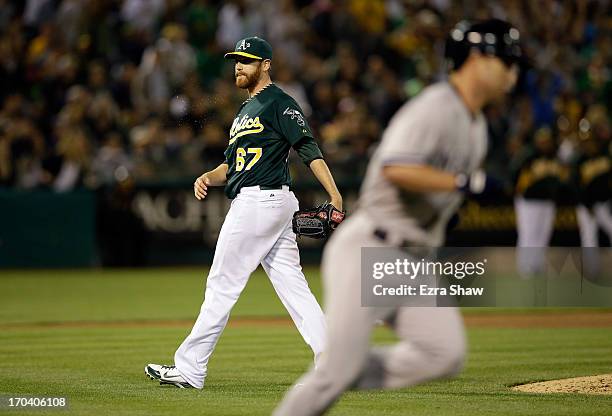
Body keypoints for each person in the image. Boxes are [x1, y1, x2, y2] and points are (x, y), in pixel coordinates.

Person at [274, 19, 522, 415]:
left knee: (445, 353)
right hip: (372, 248)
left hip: (413, 258)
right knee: (334, 374)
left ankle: (344, 370)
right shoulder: (435, 108)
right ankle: (338, 371)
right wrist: (463, 183)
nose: (513, 70)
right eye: (506, 60)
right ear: (476, 59)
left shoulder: (476, 127)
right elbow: (395, 168)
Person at [145, 36, 343, 389]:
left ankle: (190, 369)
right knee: (293, 286)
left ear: (265, 65)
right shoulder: (244, 111)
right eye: (237, 59)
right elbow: (232, 166)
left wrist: (334, 193)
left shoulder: (279, 102)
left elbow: (307, 147)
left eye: (248, 60)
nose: (239, 65)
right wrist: (209, 175)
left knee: (222, 283)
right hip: (270, 204)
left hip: (258, 203)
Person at [510, 126, 567, 276]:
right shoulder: (528, 156)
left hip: (548, 201)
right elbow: (514, 175)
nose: (544, 142)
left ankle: (537, 265)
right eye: (541, 139)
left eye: (546, 139)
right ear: (536, 140)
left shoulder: (555, 157)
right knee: (528, 234)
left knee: (543, 234)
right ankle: (524, 268)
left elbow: (561, 178)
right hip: (529, 202)